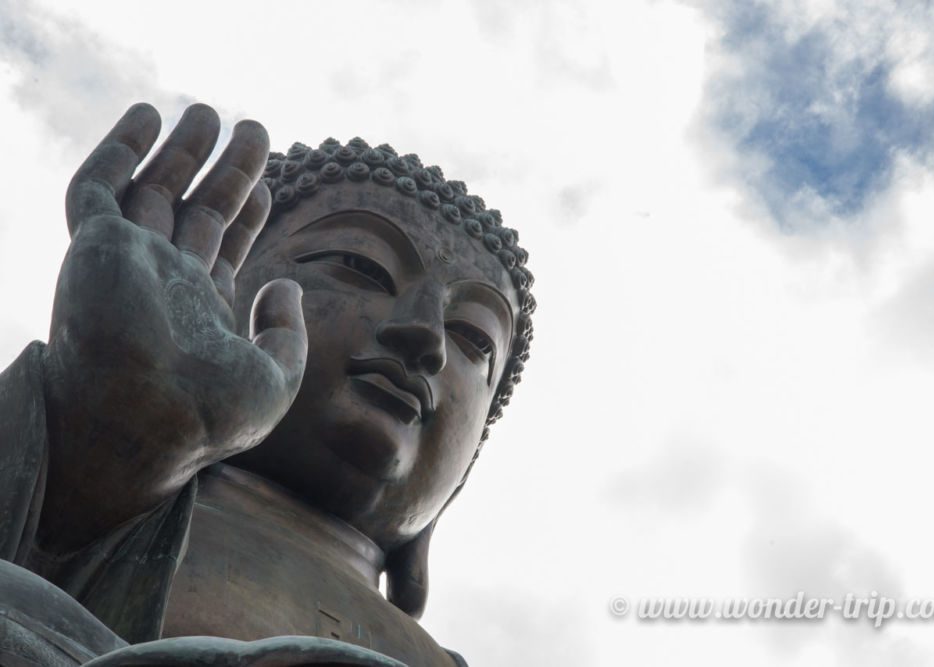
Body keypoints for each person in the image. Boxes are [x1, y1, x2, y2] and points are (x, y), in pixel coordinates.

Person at [0, 103, 534, 667]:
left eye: (475, 339)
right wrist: (95, 455)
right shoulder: (106, 514)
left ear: (466, 470)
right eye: (358, 264)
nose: (425, 335)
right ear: (212, 290)